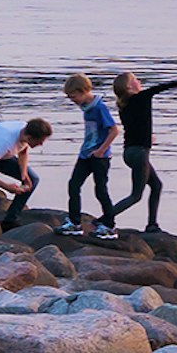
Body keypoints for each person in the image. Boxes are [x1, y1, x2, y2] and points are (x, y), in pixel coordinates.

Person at [106, 69, 177, 235]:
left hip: (131, 153)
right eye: (135, 79)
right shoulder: (141, 97)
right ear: (129, 86)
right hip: (139, 153)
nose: (139, 81)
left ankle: (152, 225)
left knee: (156, 186)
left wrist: (148, 138)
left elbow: (135, 127)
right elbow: (165, 86)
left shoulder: (124, 105)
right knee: (136, 196)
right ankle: (103, 220)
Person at [58, 74, 118, 236]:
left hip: (100, 157)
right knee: (74, 185)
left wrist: (100, 150)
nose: (73, 100)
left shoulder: (99, 107)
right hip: (85, 154)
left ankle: (109, 226)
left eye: (73, 96)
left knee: (100, 190)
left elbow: (114, 130)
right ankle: (75, 222)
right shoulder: (86, 108)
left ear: (83, 91)